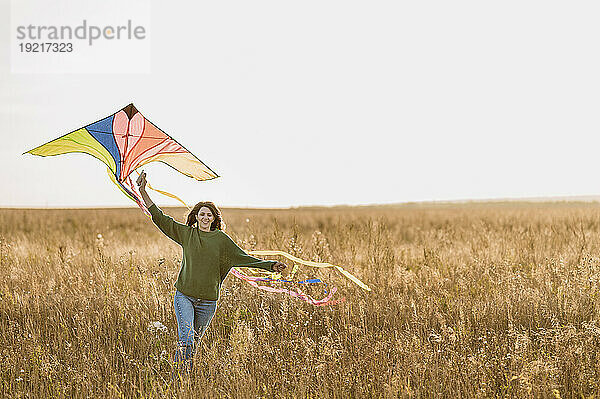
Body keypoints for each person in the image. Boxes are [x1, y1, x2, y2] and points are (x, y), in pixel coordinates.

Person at [135, 171, 286, 372]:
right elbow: (160, 218)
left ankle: (184, 378)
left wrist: (270, 266)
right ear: (195, 217)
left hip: (208, 302)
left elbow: (243, 258)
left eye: (209, 214)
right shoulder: (187, 234)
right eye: (202, 214)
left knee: (193, 343)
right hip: (185, 297)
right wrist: (143, 191)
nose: (205, 217)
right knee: (186, 339)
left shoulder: (221, 240)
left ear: (214, 218)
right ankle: (178, 378)